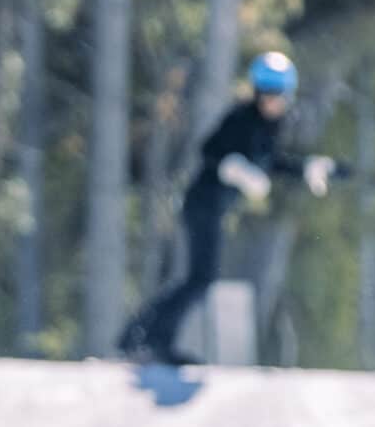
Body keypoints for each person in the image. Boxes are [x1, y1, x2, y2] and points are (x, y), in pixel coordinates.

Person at [118, 52, 339, 366]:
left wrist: (305, 169)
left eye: (277, 96)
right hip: (202, 204)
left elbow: (272, 162)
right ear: (257, 92)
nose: (270, 102)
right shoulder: (241, 118)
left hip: (215, 209)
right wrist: (233, 168)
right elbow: (208, 150)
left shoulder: (272, 126)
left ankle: (136, 338)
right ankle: (149, 341)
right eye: (265, 95)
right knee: (200, 278)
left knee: (196, 278)